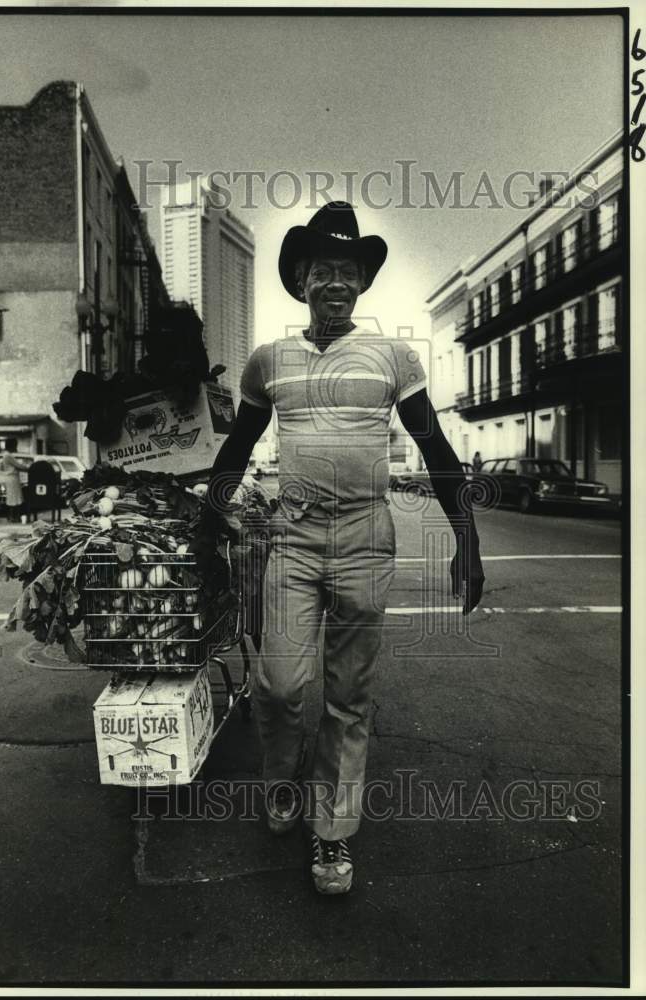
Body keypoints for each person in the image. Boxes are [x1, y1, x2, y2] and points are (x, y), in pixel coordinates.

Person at [193, 202, 485, 895]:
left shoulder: (394, 358)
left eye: (348, 271)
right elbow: (236, 447)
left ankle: (333, 836)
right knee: (281, 684)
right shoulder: (269, 363)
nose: (335, 282)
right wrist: (208, 525)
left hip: (364, 541)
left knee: (348, 699)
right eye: (322, 270)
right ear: (300, 280)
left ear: (361, 283)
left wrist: (467, 540)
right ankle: (281, 777)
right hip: (292, 539)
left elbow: (437, 448)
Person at [0, 442, 23, 523]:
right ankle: (13, 517)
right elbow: (18, 465)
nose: (16, 448)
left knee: (12, 497)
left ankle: (11, 517)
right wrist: (27, 467)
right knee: (14, 498)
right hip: (12, 477)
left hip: (11, 477)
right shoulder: (8, 455)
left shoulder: (5, 455)